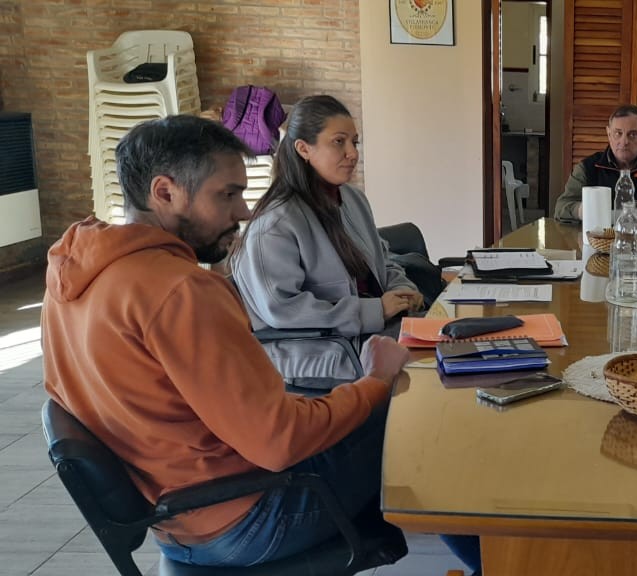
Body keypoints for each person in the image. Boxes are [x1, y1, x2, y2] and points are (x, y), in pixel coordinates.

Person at [41, 115, 413, 567]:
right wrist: (376, 381)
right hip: (250, 519)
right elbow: (278, 442)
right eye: (228, 194)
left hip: (177, 517)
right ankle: (488, 554)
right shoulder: (180, 291)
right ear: (165, 192)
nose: (244, 211)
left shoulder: (72, 277)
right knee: (415, 411)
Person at [232, 95, 425, 390]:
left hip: (369, 335)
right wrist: (375, 311)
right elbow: (282, 309)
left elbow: (383, 260)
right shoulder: (274, 224)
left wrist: (402, 290)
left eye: (354, 142)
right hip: (322, 355)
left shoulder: (353, 199)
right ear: (303, 149)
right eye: (339, 142)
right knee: (433, 371)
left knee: (452, 345)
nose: (352, 153)